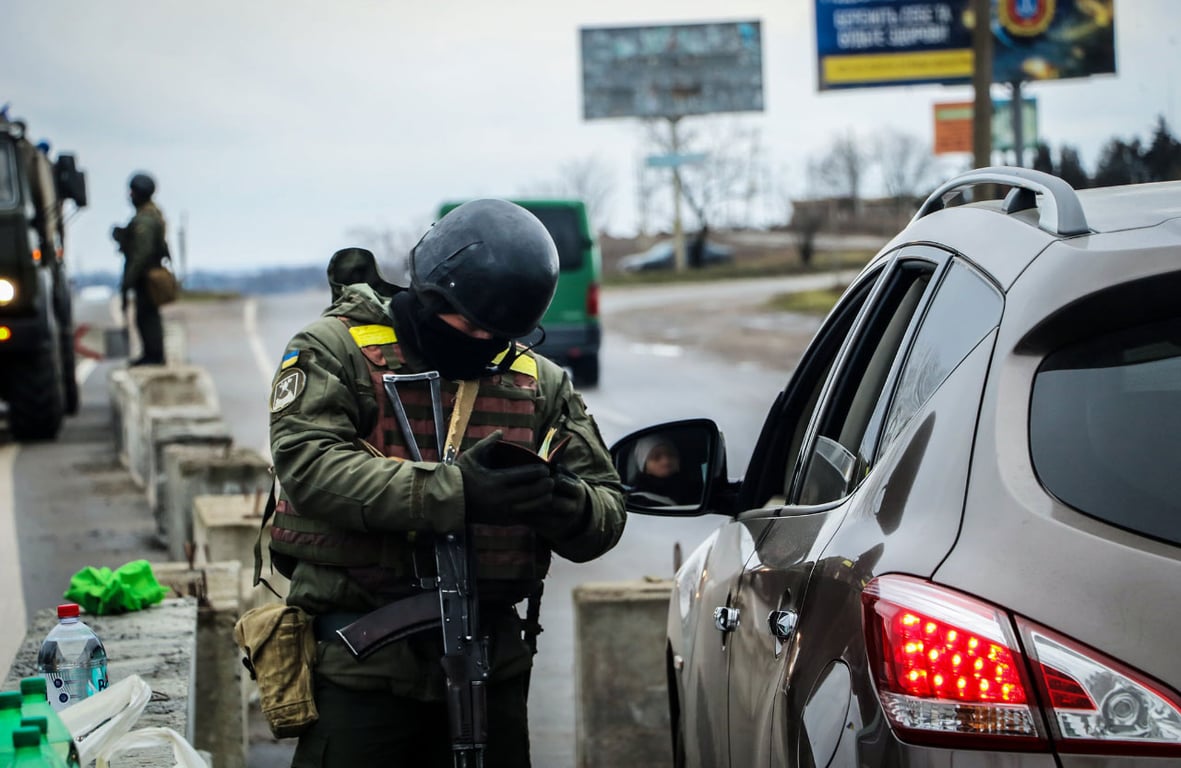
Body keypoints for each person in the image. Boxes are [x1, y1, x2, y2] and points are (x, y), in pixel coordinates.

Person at [267, 198, 627, 767]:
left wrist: (559, 501)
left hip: (492, 665)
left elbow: (606, 507)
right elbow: (311, 465)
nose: (482, 340)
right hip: (363, 667)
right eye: (470, 323)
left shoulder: (537, 381)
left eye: (497, 333)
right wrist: (458, 493)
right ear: (431, 295)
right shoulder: (335, 351)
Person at [111, 172, 168, 365]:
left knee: (146, 315)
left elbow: (142, 252)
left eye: (133, 192)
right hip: (146, 272)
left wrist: (129, 278)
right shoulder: (149, 215)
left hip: (146, 274)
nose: (130, 196)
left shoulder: (145, 219)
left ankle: (154, 355)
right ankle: (152, 354)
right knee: (145, 315)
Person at [630, 435, 703, 506]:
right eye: (656, 457)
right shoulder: (638, 502)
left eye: (671, 454)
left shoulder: (700, 491)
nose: (666, 461)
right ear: (644, 467)